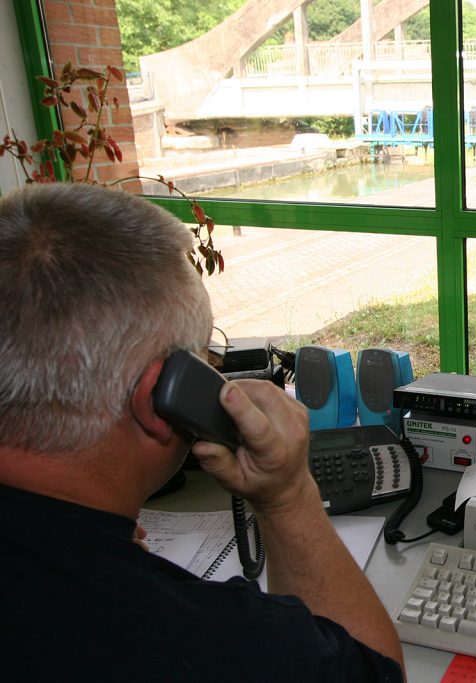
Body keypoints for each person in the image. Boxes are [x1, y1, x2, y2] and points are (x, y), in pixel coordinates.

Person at [0, 183, 404, 681]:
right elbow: (376, 671)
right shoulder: (201, 641)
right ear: (164, 397)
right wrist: (287, 493)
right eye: (205, 356)